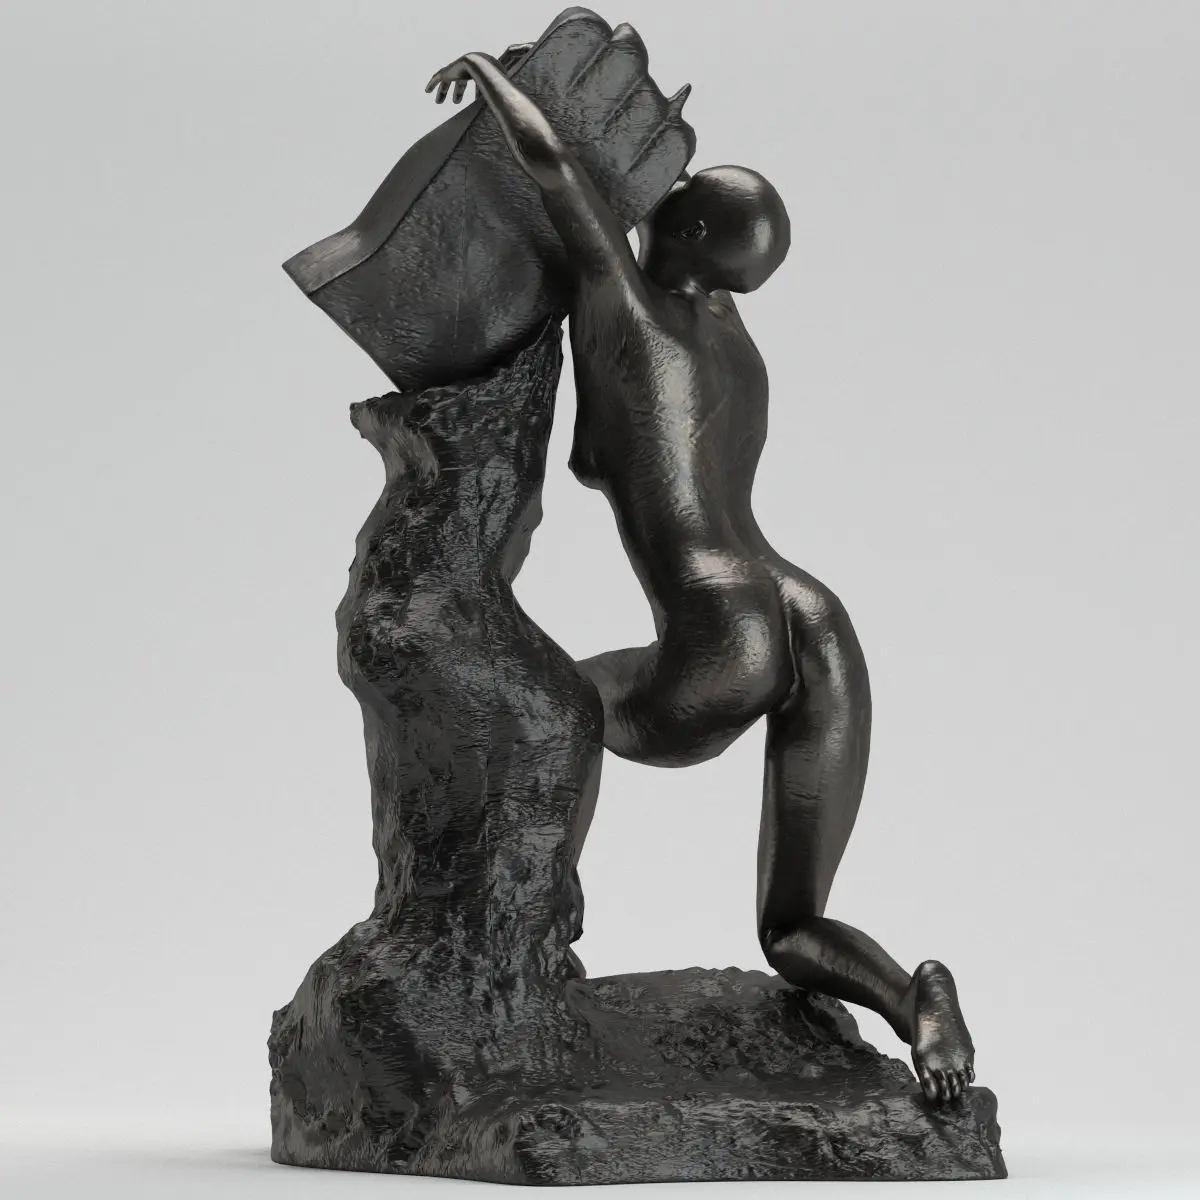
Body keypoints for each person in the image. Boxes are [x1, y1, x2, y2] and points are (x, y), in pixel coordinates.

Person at [426, 43, 975, 1104]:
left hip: (723, 629)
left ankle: (538, 922)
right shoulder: (735, 344)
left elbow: (559, 175)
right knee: (791, 923)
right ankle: (915, 999)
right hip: (812, 614)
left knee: (556, 708)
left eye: (674, 198)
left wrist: (497, 79)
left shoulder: (627, 310)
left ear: (684, 233)